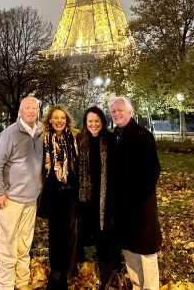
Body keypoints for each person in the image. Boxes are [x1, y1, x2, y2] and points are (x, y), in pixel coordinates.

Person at [108, 95, 162, 290]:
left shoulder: (143, 135)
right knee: (130, 251)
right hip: (122, 208)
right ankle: (138, 286)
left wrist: (138, 195)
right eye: (113, 111)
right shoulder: (114, 136)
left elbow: (153, 170)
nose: (116, 113)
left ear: (130, 112)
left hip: (141, 205)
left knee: (147, 253)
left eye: (120, 110)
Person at [0, 96, 43, 290]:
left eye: (34, 108)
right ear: (20, 111)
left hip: (30, 199)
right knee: (8, 244)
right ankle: (7, 285)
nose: (31, 111)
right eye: (27, 108)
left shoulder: (40, 133)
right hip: (9, 200)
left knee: (24, 244)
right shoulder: (9, 134)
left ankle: (22, 282)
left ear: (38, 111)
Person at [37, 104, 79, 290]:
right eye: (56, 118)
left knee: (71, 232)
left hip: (71, 191)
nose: (59, 121)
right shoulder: (43, 138)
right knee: (55, 233)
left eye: (62, 117)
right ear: (50, 120)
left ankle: (69, 271)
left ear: (67, 120)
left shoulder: (75, 136)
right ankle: (56, 274)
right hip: (53, 190)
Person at [78, 106, 117, 290]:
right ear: (86, 123)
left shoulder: (109, 140)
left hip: (106, 199)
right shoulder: (82, 140)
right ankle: (101, 275)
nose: (93, 124)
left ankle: (107, 279)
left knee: (106, 240)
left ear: (102, 121)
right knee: (94, 238)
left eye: (96, 120)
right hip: (88, 200)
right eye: (90, 121)